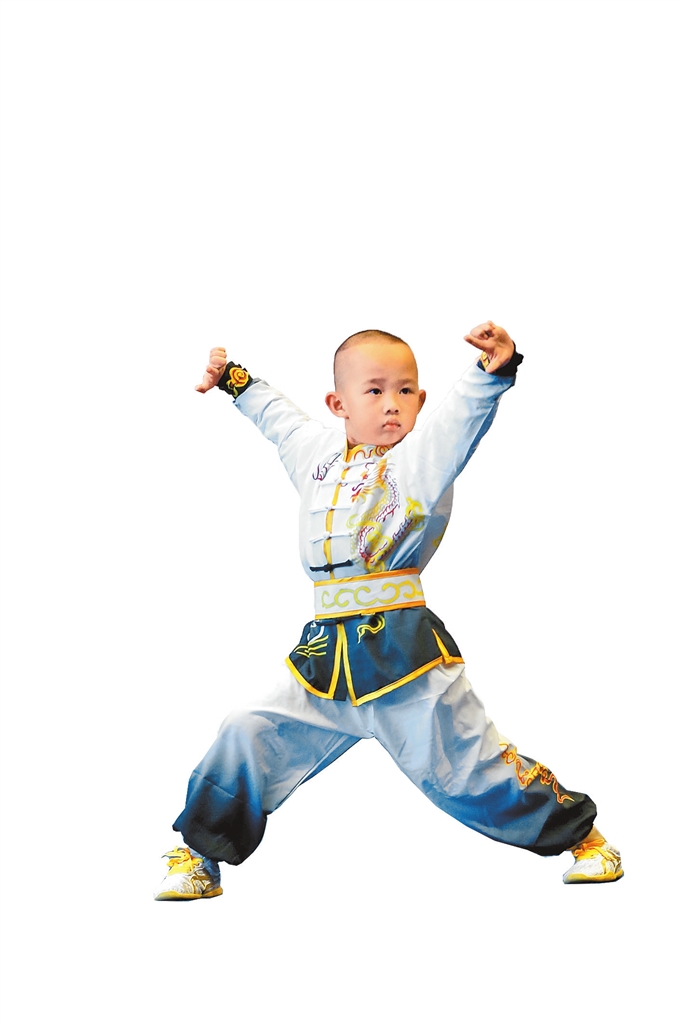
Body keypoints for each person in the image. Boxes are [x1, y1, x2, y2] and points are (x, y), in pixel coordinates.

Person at [154, 322, 622, 899]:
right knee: (247, 728)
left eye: (405, 391)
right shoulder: (313, 453)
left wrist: (492, 371)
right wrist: (234, 379)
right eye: (374, 391)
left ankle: (588, 841)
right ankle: (199, 857)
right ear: (339, 404)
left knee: (469, 770)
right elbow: (278, 418)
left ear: (420, 401)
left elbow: (460, 417)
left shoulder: (423, 458)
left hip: (403, 653)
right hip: (324, 654)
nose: (392, 404)